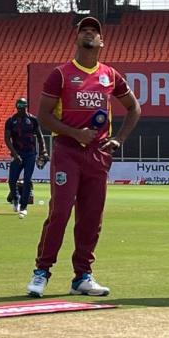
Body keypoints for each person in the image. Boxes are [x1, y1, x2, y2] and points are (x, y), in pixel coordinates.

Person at [26, 16, 141, 298]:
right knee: (61, 212)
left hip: (98, 155)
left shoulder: (110, 75)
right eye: (84, 31)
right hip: (67, 151)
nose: (89, 34)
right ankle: (41, 271)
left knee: (91, 217)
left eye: (94, 32)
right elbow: (43, 116)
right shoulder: (61, 74)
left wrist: (119, 139)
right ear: (76, 39)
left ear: (102, 42)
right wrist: (75, 134)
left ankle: (82, 277)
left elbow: (134, 108)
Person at [4, 97, 47, 217]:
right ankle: (16, 199)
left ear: (26, 107)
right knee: (12, 180)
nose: (20, 111)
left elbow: (40, 136)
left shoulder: (33, 120)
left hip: (30, 154)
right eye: (18, 109)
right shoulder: (11, 121)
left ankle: (23, 207)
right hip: (17, 153)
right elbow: (7, 139)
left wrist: (43, 150)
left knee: (27, 180)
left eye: (22, 108)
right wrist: (15, 154)